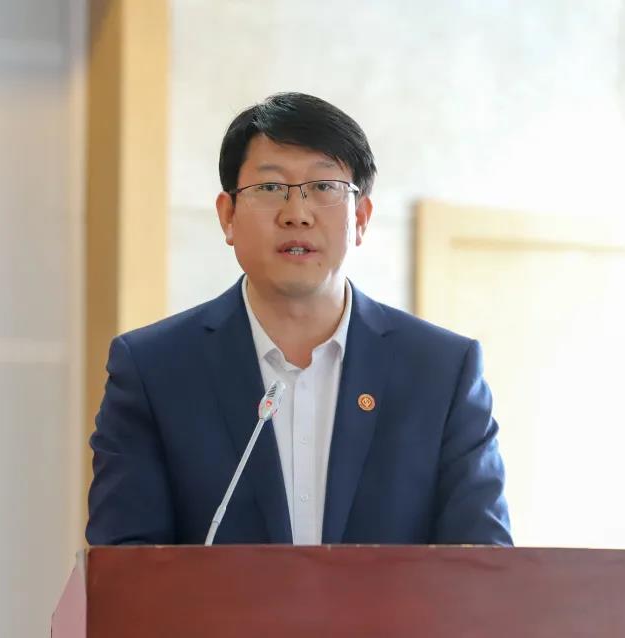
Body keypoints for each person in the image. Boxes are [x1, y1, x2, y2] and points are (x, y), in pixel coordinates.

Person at [86, 92, 511, 546]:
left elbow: (484, 565)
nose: (297, 214)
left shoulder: (441, 371)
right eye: (270, 188)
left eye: (324, 187)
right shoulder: (155, 370)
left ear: (361, 218)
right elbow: (124, 565)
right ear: (228, 216)